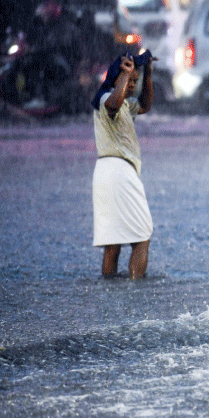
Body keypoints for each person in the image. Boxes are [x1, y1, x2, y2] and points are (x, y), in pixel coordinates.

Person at [91, 51, 155, 279]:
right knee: (142, 235)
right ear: (116, 77)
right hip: (120, 172)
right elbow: (112, 105)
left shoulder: (126, 104)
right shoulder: (106, 98)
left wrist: (147, 75)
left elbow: (145, 105)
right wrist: (125, 76)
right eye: (130, 79)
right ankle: (137, 289)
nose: (132, 85)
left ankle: (109, 291)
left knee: (113, 243)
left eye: (135, 81)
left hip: (104, 173)